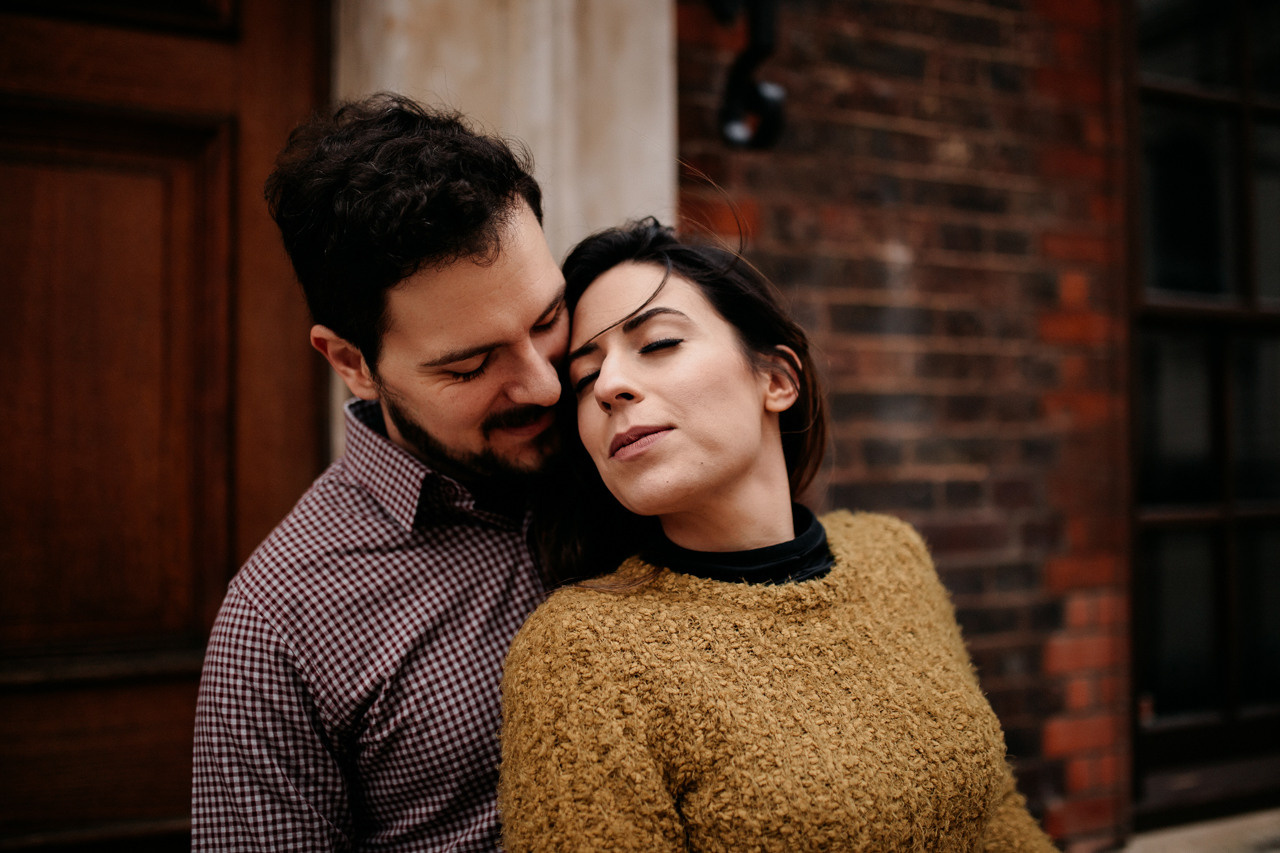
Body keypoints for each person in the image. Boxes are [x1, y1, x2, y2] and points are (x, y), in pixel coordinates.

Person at [499, 219, 1057, 851]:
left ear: (777, 380)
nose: (607, 388)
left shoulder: (892, 556)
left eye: (656, 344)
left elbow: (994, 812)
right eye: (582, 378)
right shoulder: (581, 653)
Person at [192, 94, 568, 850]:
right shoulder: (279, 627)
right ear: (352, 364)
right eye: (470, 365)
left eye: (549, 319)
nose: (545, 385)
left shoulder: (629, 440)